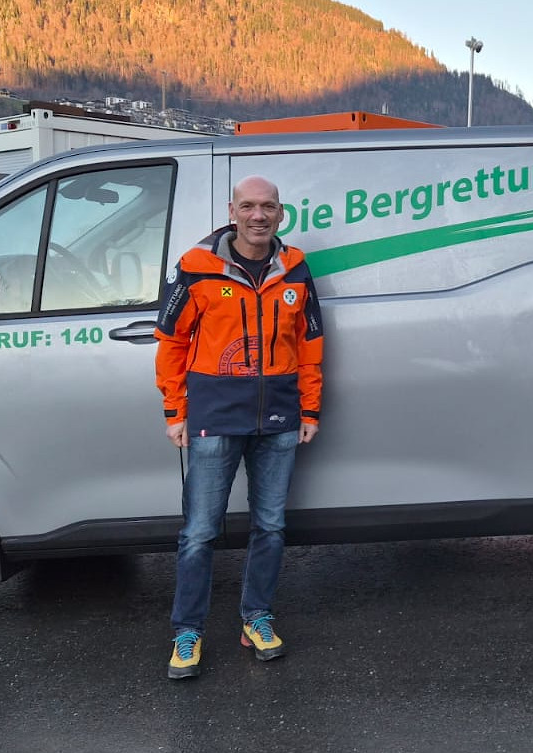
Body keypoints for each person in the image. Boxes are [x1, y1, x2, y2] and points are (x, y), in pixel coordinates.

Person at [155, 175, 324, 680]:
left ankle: (257, 618)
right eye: (248, 206)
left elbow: (311, 343)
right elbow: (171, 342)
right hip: (215, 417)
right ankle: (188, 630)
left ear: (280, 213)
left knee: (270, 527)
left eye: (267, 207)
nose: (258, 215)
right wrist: (175, 411)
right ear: (232, 212)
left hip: (279, 417)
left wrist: (309, 410)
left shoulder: (295, 267)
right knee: (200, 532)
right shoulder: (196, 266)